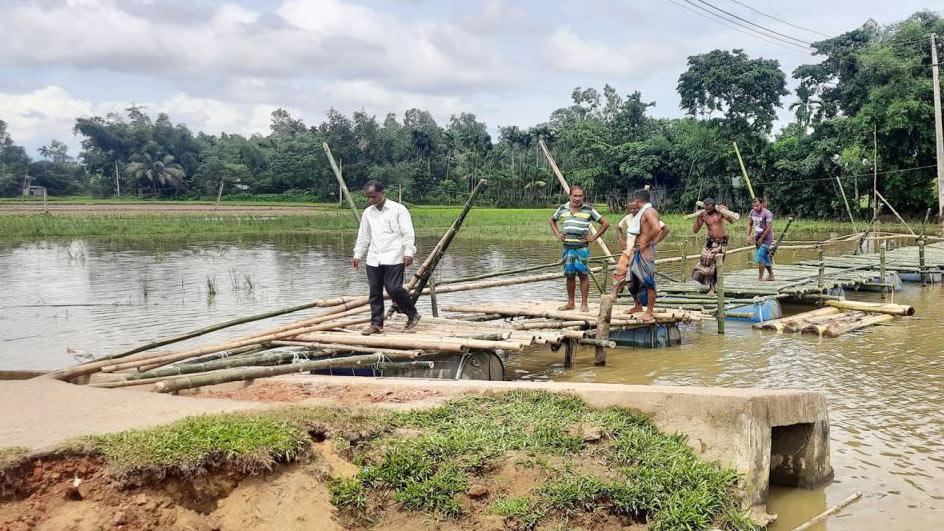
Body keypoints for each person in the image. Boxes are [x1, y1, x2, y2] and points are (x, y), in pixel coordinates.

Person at [352, 180, 421, 335]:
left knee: (394, 288)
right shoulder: (368, 213)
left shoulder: (398, 210)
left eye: (373, 196)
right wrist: (358, 254)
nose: (371, 200)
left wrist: (408, 252)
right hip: (374, 258)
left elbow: (408, 233)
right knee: (375, 292)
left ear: (382, 193)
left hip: (394, 256)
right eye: (368, 197)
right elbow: (364, 236)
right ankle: (376, 324)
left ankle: (412, 314)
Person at [550, 185, 610, 312]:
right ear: (570, 196)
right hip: (567, 248)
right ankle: (570, 303)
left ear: (583, 196)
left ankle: (584, 304)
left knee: (583, 275)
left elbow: (605, 224)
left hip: (582, 248)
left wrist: (593, 237)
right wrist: (558, 234)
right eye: (575, 196)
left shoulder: (589, 210)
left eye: (580, 196)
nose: (577, 198)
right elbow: (552, 220)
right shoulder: (563, 208)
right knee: (569, 275)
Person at [613, 195, 669, 301]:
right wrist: (621, 241)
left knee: (646, 280)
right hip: (630, 251)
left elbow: (662, 229)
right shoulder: (629, 218)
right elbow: (618, 228)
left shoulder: (647, 214)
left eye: (636, 207)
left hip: (642, 251)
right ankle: (636, 304)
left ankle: (648, 309)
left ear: (640, 205)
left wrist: (650, 242)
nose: (634, 210)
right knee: (629, 278)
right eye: (632, 208)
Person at [623, 189, 661, 322]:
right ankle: (637, 305)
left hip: (645, 252)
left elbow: (657, 228)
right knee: (631, 281)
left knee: (648, 281)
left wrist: (645, 242)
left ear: (638, 200)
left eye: (634, 201)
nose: (633, 203)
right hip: (637, 251)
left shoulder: (649, 212)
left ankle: (649, 311)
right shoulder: (643, 212)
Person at [691, 198, 730, 292]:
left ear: (713, 207)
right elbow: (695, 230)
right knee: (704, 262)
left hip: (721, 241)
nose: (707, 211)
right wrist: (698, 217)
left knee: (716, 265)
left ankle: (713, 288)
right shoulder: (703, 214)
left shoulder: (720, 212)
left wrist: (724, 211)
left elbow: (732, 220)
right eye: (705, 208)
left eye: (709, 209)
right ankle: (709, 284)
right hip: (710, 242)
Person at [748, 198, 775, 281]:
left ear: (762, 204)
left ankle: (760, 278)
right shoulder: (752, 212)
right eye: (754, 206)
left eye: (757, 206)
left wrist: (762, 238)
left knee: (760, 256)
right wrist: (748, 236)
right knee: (764, 257)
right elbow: (750, 224)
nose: (755, 208)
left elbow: (769, 228)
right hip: (757, 237)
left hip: (767, 238)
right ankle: (771, 275)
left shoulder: (767, 213)